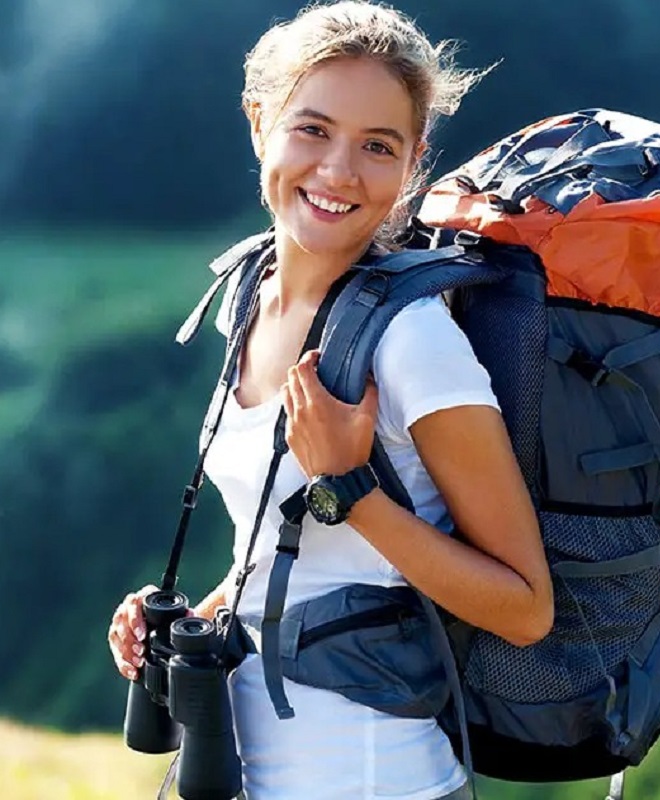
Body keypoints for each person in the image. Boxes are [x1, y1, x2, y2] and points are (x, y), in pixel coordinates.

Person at [108, 2, 554, 798]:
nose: (339, 172)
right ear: (259, 123)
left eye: (377, 146)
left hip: (377, 778)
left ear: (414, 161)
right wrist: (182, 617)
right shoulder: (248, 295)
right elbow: (290, 558)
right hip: (244, 771)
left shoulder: (414, 342)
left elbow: (524, 609)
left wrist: (351, 489)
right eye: (312, 129)